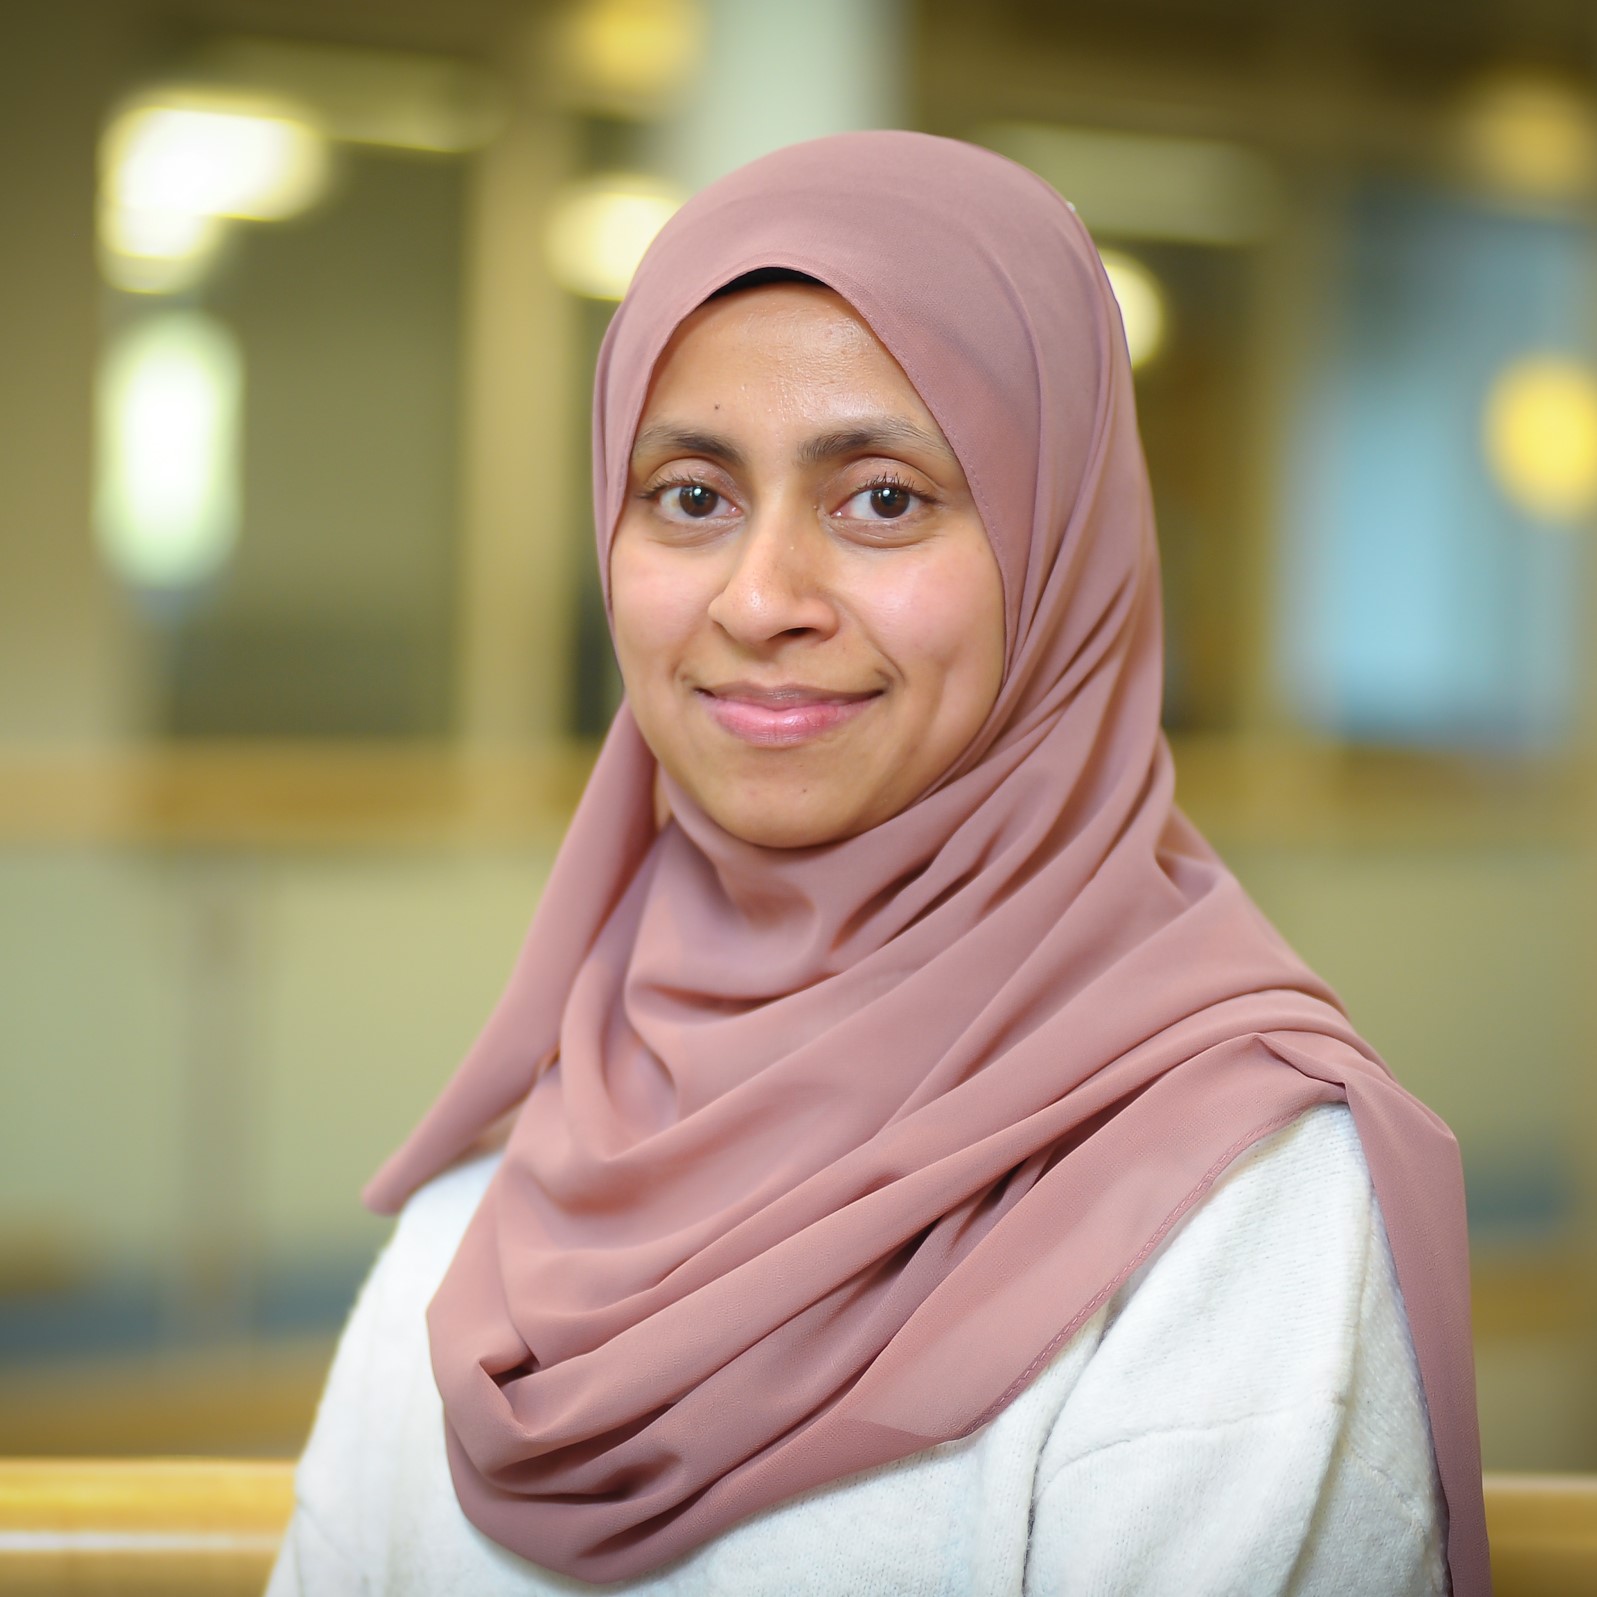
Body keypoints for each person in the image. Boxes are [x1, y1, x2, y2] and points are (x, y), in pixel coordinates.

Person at [268, 131, 1488, 1596]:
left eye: (884, 498)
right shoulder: (502, 1206)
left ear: (1062, 558)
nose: (762, 596)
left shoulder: (1234, 1205)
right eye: (693, 496)